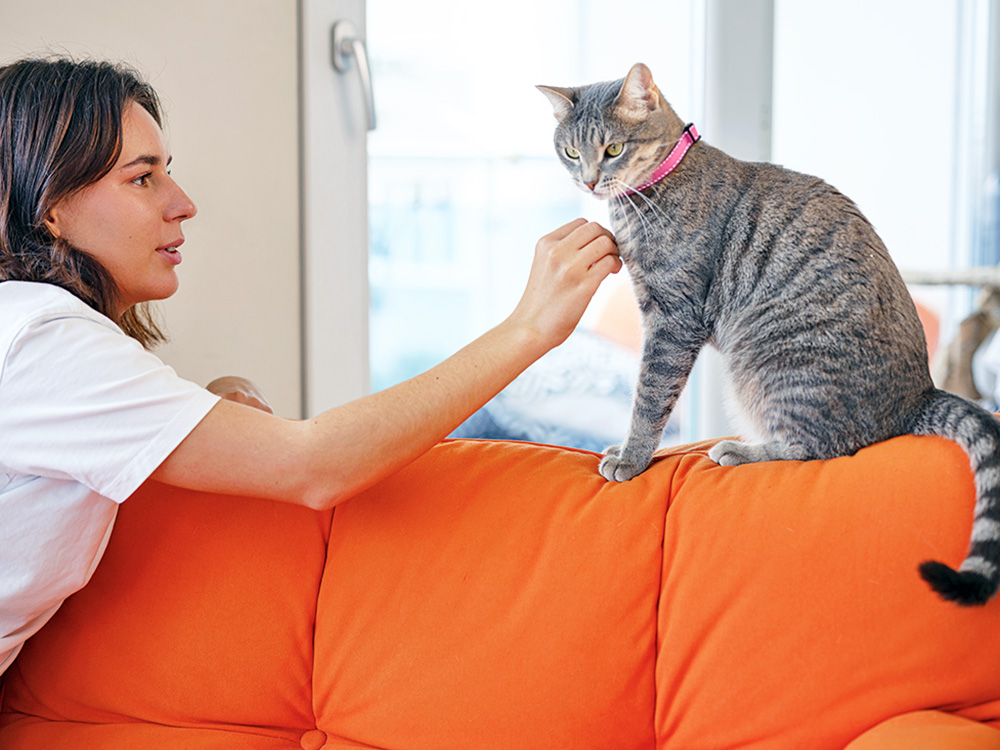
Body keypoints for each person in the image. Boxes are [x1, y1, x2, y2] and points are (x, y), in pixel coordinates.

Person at [0, 57, 621, 675]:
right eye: (142, 179)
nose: (183, 204)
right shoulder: (43, 340)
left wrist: (215, 402)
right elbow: (314, 465)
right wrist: (529, 328)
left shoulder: (32, 332)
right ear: (50, 206)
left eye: (169, 173)